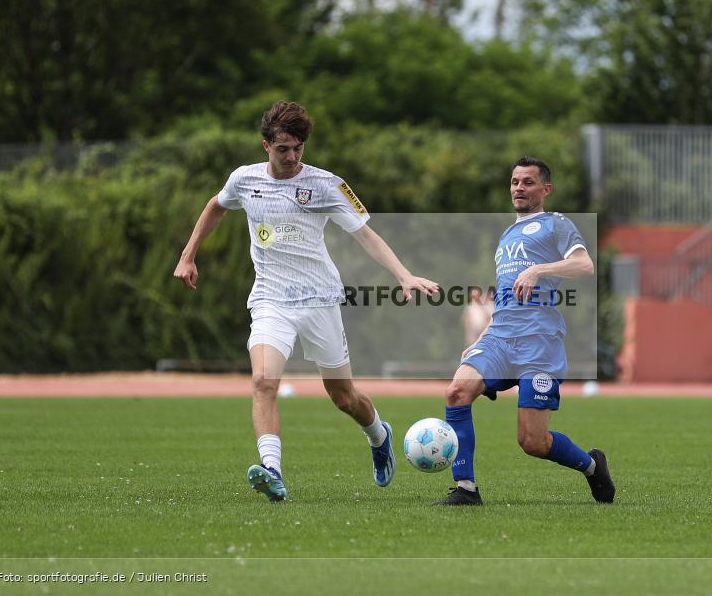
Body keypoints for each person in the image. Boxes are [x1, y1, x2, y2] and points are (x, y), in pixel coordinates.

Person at [174, 101, 439, 502]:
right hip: (270, 299)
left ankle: (378, 434)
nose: (293, 156)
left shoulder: (328, 184)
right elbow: (216, 205)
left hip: (319, 301)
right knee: (264, 381)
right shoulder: (243, 180)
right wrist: (188, 254)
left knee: (343, 397)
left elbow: (366, 234)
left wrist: (403, 275)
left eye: (299, 147)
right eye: (283, 148)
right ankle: (272, 470)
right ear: (266, 145)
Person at [435, 156, 615, 506]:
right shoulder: (507, 234)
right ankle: (466, 489)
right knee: (457, 390)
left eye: (528, 182)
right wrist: (482, 338)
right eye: (515, 181)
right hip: (500, 338)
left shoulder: (555, 224)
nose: (519, 187)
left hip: (539, 343)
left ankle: (593, 467)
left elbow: (584, 265)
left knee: (533, 442)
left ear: (546, 189)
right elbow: (507, 294)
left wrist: (539, 270)